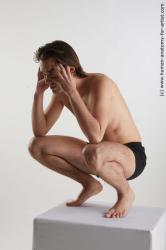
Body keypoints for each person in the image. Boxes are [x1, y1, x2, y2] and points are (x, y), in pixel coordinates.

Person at [28, 40, 147, 219]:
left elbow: (95, 136)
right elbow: (40, 132)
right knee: (36, 145)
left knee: (92, 150)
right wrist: (38, 94)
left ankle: (126, 193)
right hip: (97, 155)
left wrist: (72, 92)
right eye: (44, 74)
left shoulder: (100, 83)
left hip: (130, 156)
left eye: (52, 72)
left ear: (70, 70)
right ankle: (89, 184)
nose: (47, 79)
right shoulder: (61, 93)